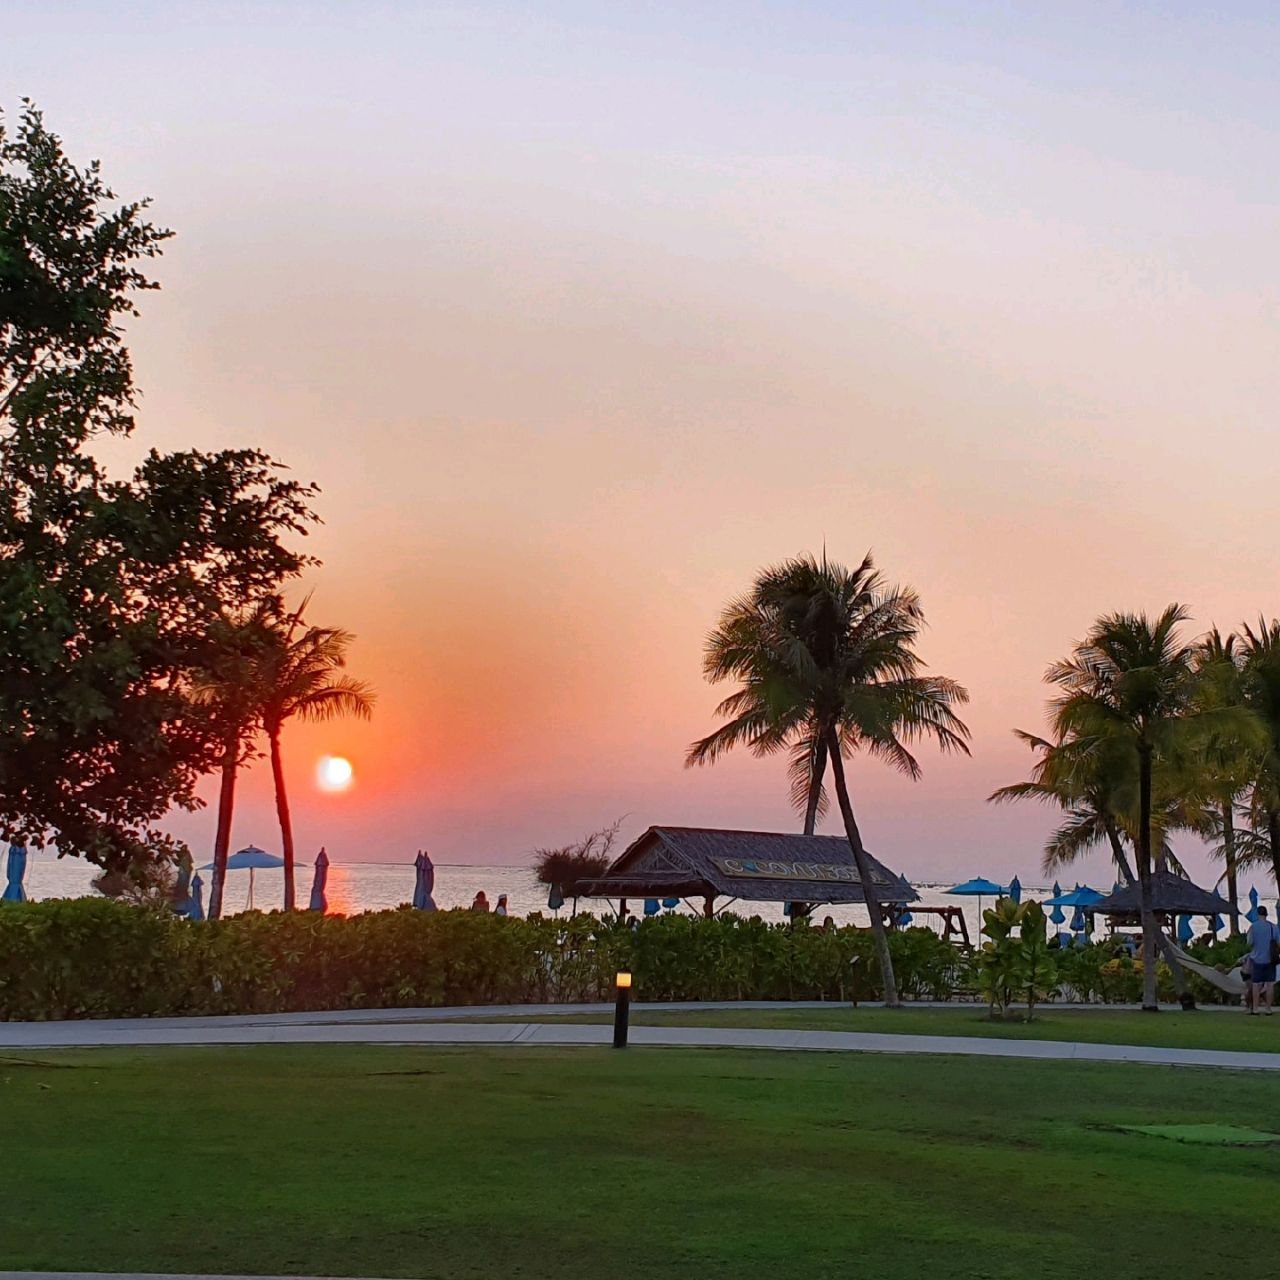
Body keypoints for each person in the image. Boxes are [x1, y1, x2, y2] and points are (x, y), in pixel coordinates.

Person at [1246, 905, 1280, 1015]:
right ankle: (1268, 1009)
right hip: (1270, 960)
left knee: (1256, 984)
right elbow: (1278, 943)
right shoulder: (1273, 927)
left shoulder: (1253, 927)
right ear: (1266, 914)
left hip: (1257, 959)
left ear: (1257, 914)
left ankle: (1255, 1009)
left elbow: (1249, 943)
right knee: (1270, 985)